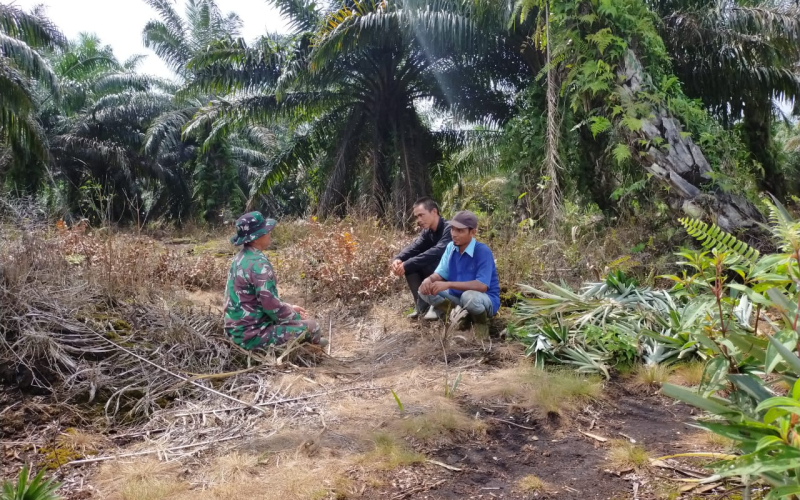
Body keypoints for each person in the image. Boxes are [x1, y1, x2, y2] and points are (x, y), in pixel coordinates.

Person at [223, 212, 326, 350]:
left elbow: (261, 301)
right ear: (255, 238)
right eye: (265, 231)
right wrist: (295, 316)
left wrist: (288, 307)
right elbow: (271, 306)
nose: (269, 233)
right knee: (313, 327)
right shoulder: (259, 264)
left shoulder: (239, 259)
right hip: (251, 337)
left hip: (234, 333)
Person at [418, 210, 500, 338]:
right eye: (452, 229)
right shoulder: (451, 248)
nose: (454, 234)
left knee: (469, 297)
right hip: (459, 298)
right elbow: (440, 273)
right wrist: (429, 280)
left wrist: (448, 284)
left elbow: (482, 286)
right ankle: (460, 316)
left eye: (460, 231)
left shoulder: (482, 251)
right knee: (424, 290)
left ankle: (481, 324)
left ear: (473, 232)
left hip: (484, 300)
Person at [391, 197, 452, 320]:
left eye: (421, 215)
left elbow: (437, 252)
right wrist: (398, 259)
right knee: (411, 267)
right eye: (416, 217)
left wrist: (408, 263)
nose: (418, 220)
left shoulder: (449, 228)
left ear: (434, 212)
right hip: (437, 273)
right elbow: (414, 247)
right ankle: (421, 305)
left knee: (425, 263)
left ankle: (438, 306)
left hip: (453, 274)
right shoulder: (427, 232)